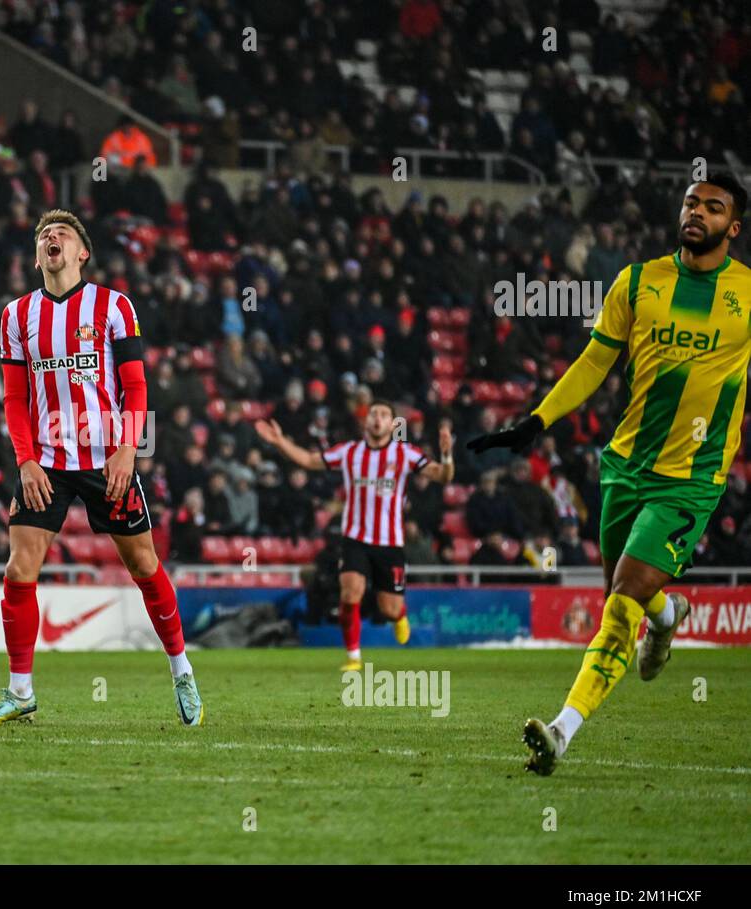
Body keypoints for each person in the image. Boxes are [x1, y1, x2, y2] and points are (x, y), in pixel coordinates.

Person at [467, 175, 751, 776]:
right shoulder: (639, 280)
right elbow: (596, 360)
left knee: (622, 595)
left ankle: (561, 733)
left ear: (735, 226)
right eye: (691, 203)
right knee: (625, 598)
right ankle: (668, 616)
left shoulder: (748, 294)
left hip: (690, 480)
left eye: (713, 207)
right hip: (624, 468)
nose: (696, 212)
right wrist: (536, 420)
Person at [0, 208, 204, 728]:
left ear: (82, 253)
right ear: (37, 256)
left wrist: (128, 449)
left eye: (63, 233)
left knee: (143, 565)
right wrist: (25, 460)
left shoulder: (114, 306)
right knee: (18, 569)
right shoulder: (15, 317)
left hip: (106, 458)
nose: (51, 237)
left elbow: (137, 386)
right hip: (47, 464)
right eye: (43, 235)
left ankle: (181, 670)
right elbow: (13, 398)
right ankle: (20, 692)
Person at [256, 401, 455, 671]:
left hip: (390, 542)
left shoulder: (404, 453)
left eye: (384, 415)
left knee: (388, 608)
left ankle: (400, 615)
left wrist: (446, 456)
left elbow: (442, 477)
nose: (377, 418)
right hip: (355, 538)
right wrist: (280, 442)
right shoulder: (350, 452)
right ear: (366, 421)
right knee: (351, 591)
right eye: (374, 413)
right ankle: (353, 657)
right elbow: (309, 460)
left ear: (392, 424)